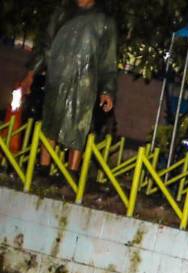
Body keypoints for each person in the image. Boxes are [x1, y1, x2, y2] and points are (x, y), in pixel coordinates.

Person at [18, 0, 117, 173]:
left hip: (86, 81)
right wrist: (29, 76)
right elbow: (45, 46)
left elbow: (108, 60)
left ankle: (72, 172)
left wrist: (107, 90)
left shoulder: (104, 21)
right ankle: (44, 167)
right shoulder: (62, 13)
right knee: (51, 120)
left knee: (80, 125)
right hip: (58, 77)